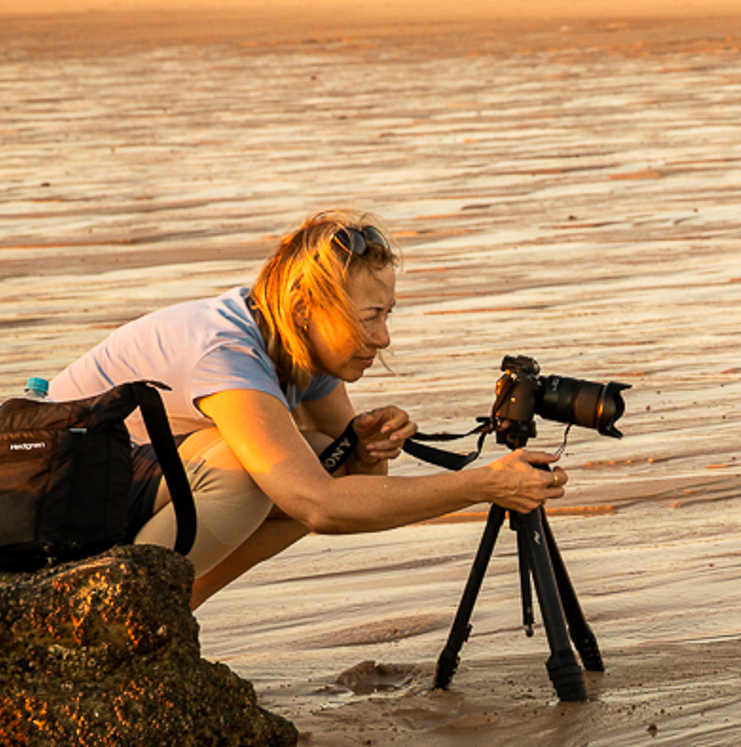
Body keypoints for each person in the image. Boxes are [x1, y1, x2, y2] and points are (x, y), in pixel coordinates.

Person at [47, 209, 567, 607]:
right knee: (252, 471)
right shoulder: (227, 351)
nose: (383, 337)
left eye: (388, 315)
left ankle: (176, 606)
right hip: (52, 496)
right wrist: (485, 483)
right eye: (368, 318)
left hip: (119, 485)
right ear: (303, 308)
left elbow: (352, 480)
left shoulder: (297, 344)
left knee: (318, 457)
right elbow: (321, 506)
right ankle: (132, 608)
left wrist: (366, 447)